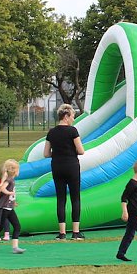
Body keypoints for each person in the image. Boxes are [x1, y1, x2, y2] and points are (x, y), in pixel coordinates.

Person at [44, 103, 86, 240]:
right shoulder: (73, 131)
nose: (73, 119)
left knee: (61, 199)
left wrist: (58, 153)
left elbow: (46, 154)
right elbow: (81, 151)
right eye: (73, 116)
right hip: (72, 166)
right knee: (75, 198)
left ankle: (62, 233)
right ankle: (75, 232)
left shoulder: (51, 132)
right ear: (66, 116)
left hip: (57, 166)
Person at [0, 159, 25, 255]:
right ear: (13, 170)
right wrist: (9, 192)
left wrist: (13, 202)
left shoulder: (11, 179)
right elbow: (2, 189)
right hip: (3, 208)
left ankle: (15, 247)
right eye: (18, 169)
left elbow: (10, 194)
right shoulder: (9, 180)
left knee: (17, 226)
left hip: (9, 208)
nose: (19, 171)